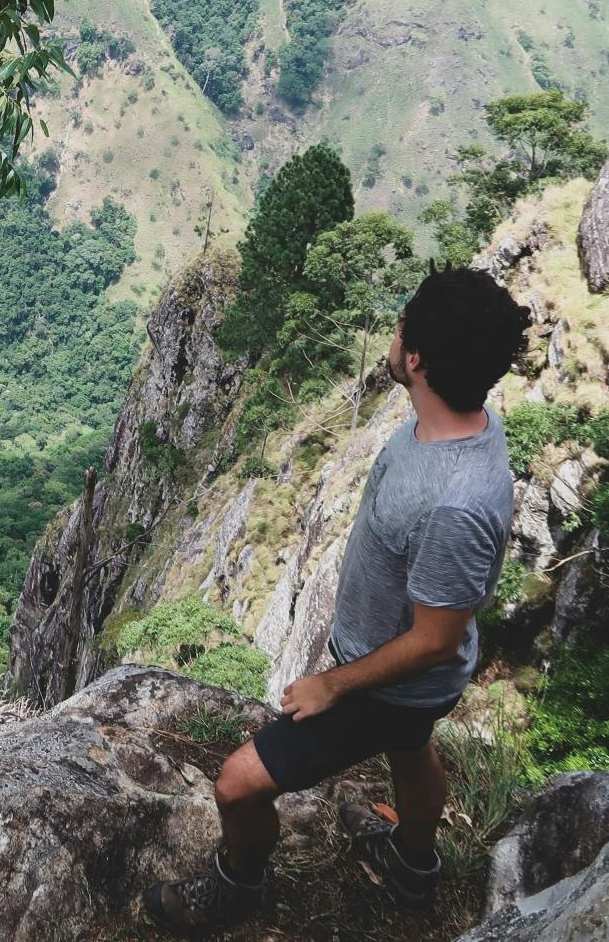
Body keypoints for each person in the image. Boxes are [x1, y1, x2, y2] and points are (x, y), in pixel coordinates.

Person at [144, 267, 531, 932]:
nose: (393, 328)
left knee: (238, 783)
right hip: (412, 685)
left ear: (416, 357)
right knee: (413, 749)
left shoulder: (455, 503)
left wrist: (333, 685)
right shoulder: (464, 420)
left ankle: (238, 886)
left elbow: (436, 637)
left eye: (401, 322)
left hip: (388, 684)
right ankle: (413, 865)